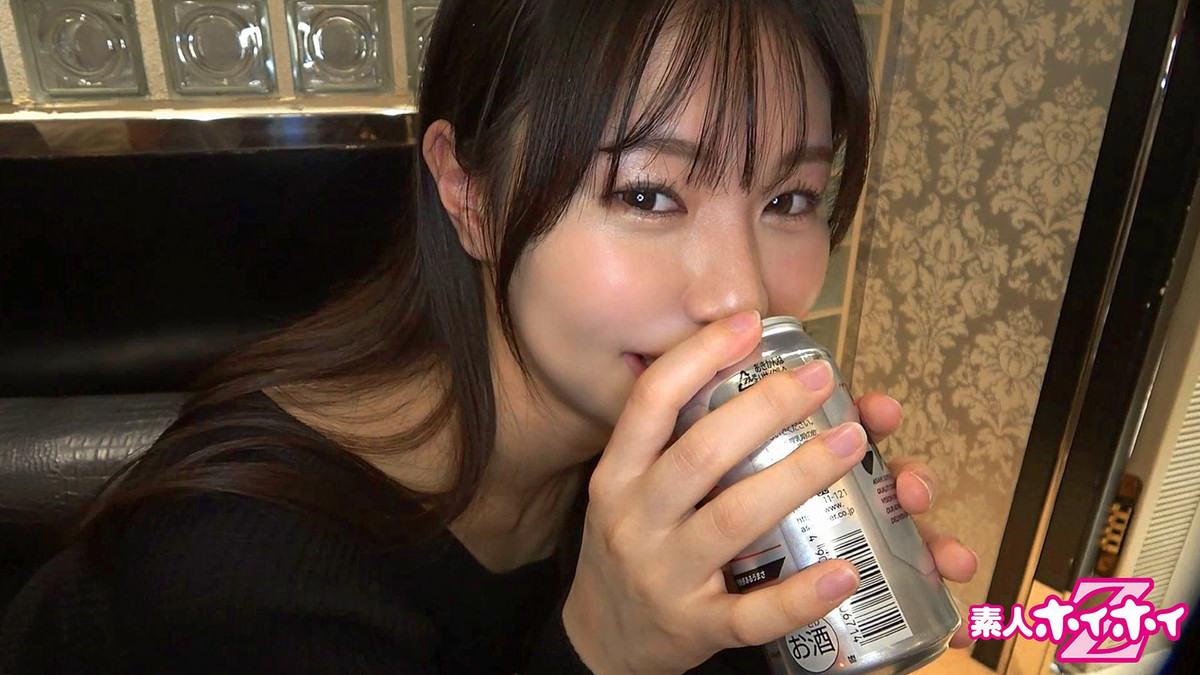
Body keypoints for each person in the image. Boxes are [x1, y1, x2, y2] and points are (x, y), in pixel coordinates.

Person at [0, 0, 979, 673]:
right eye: (647, 194)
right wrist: (605, 653)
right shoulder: (232, 581)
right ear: (467, 192)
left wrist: (779, 605)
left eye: (790, 198)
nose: (741, 296)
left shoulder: (636, 468)